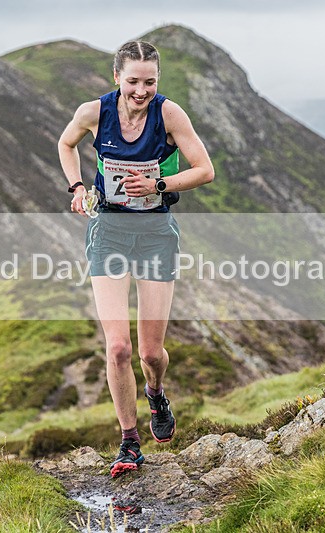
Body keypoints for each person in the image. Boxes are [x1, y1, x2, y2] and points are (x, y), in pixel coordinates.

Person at [58, 40, 214, 478]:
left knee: (149, 352)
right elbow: (66, 144)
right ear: (116, 79)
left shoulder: (170, 114)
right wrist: (76, 188)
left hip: (154, 236)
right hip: (107, 232)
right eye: (133, 82)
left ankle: (157, 392)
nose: (141, 90)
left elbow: (204, 169)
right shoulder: (95, 112)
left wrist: (160, 186)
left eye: (150, 82)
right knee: (118, 346)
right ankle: (129, 442)